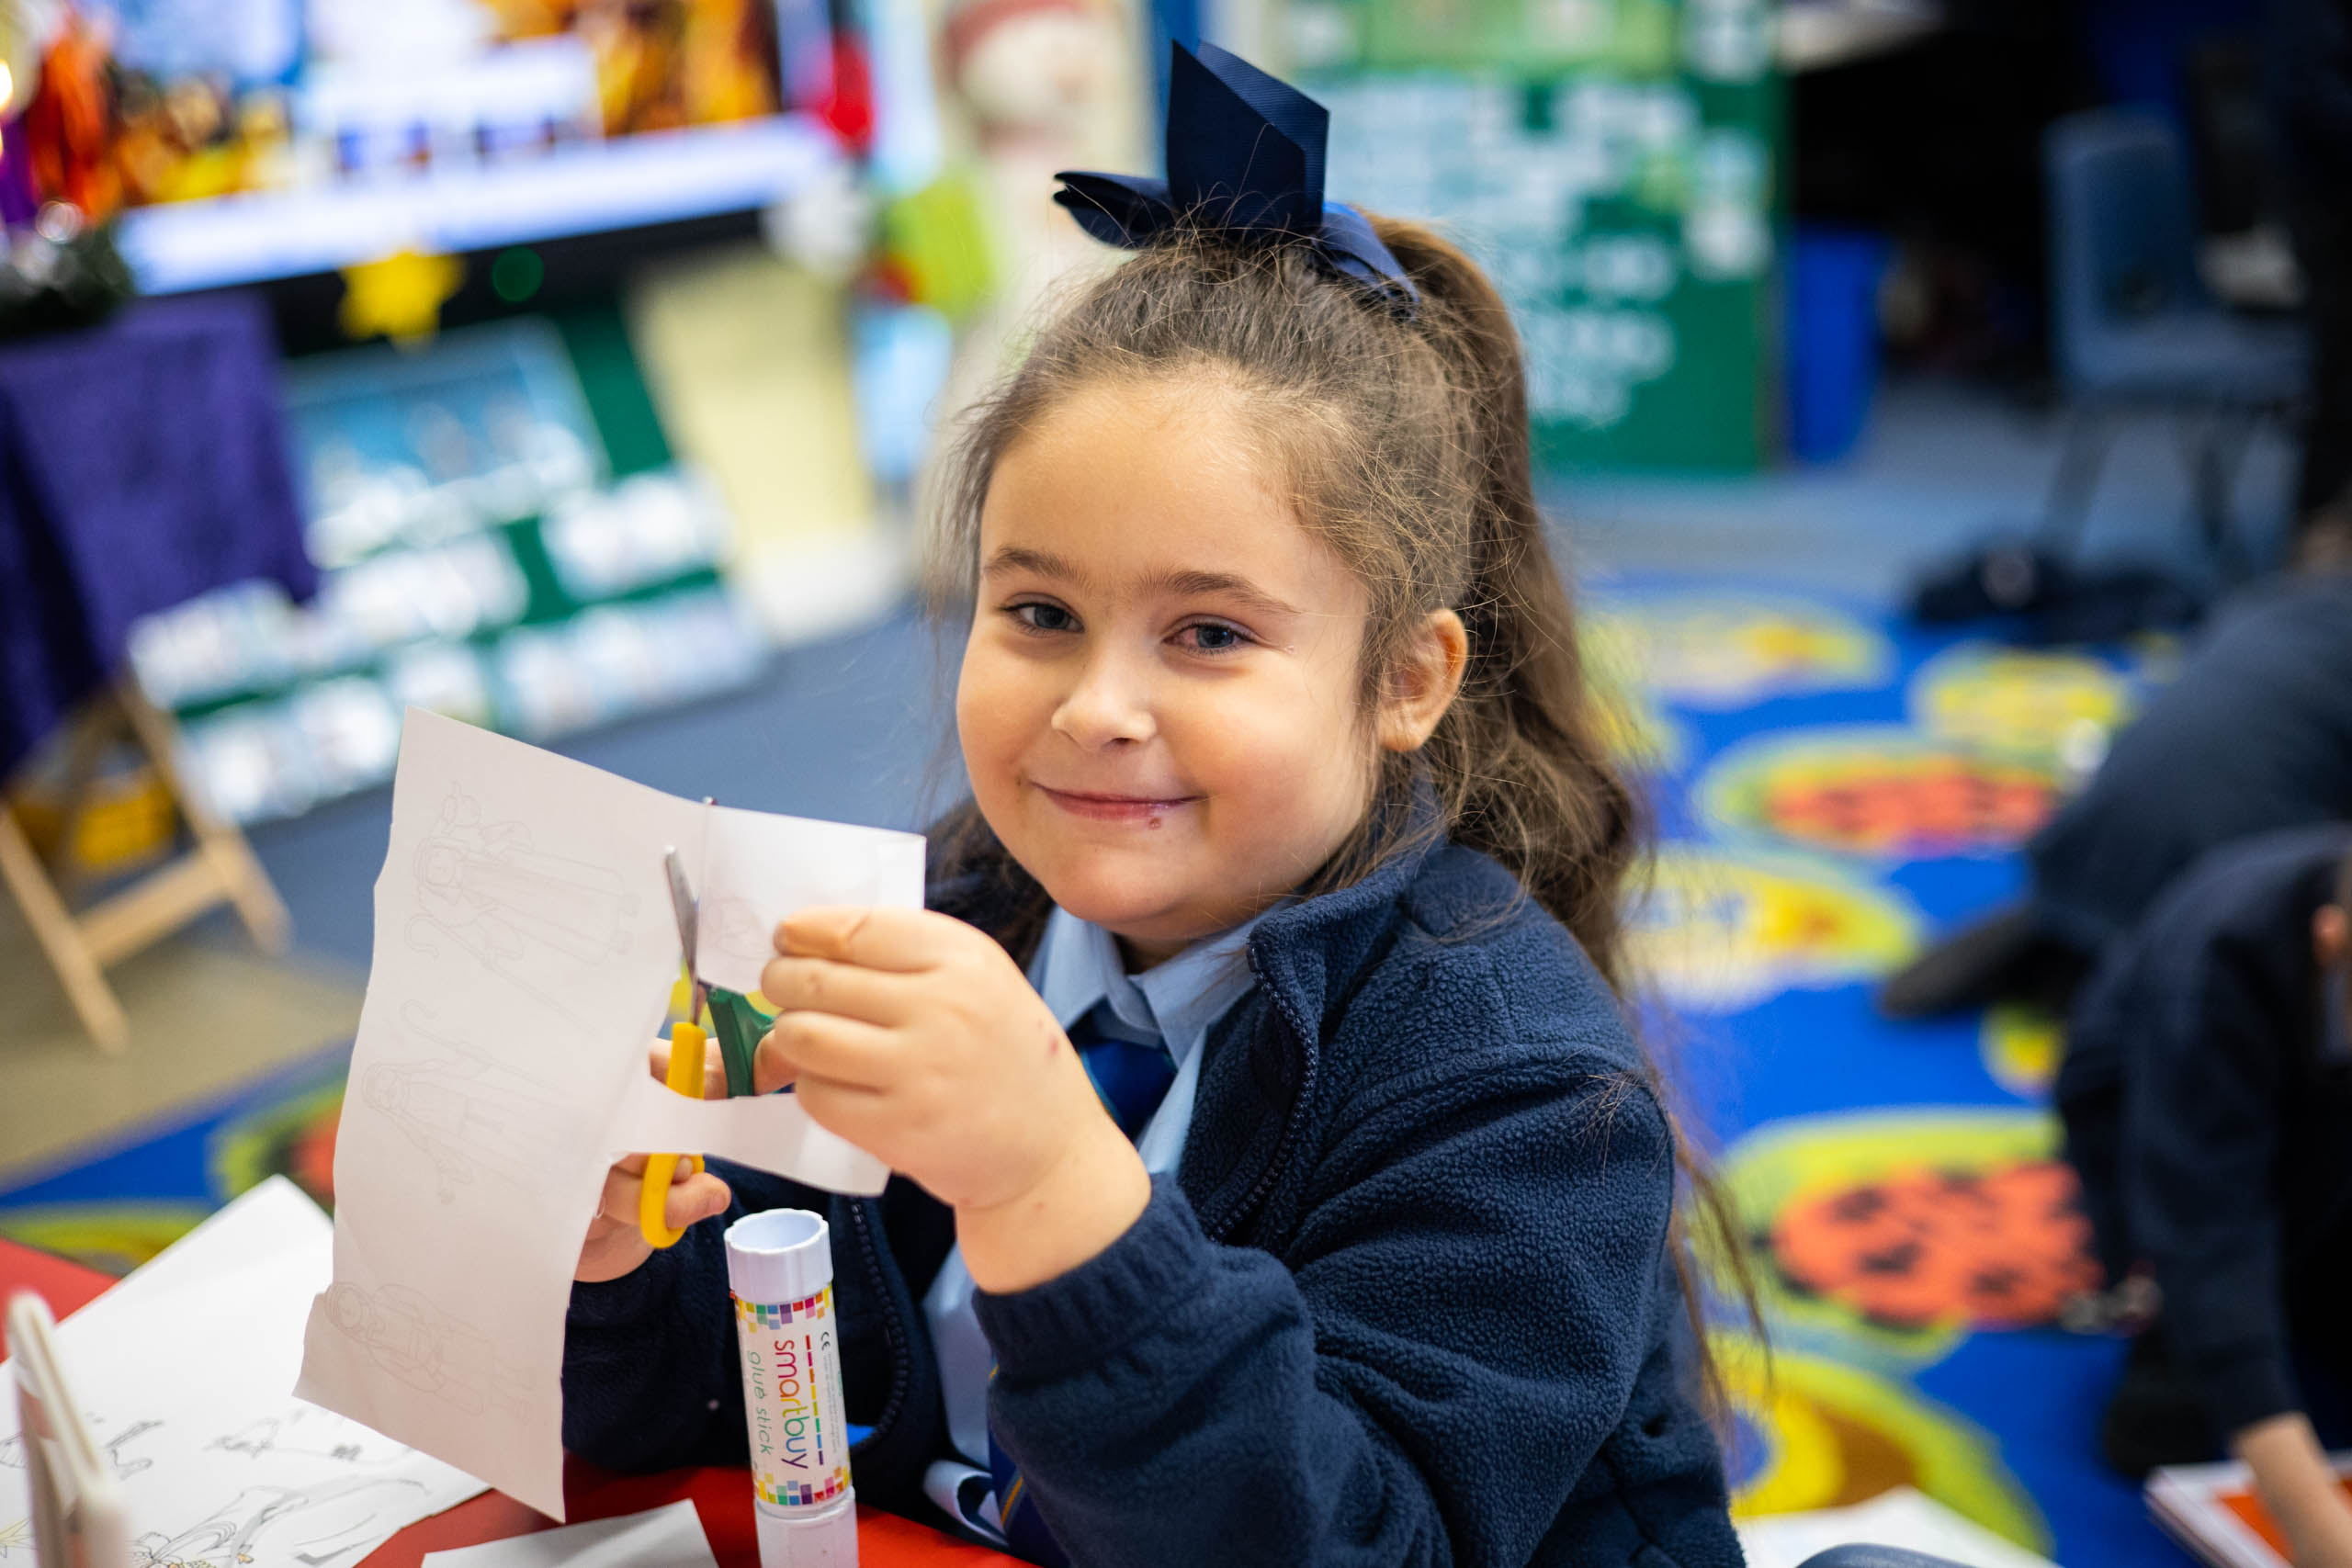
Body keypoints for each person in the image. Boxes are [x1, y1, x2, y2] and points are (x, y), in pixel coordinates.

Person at [556, 44, 1740, 1568]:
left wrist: (1054, 1182)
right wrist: (627, 1279)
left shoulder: (1515, 1087)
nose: (1097, 706)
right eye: (1037, 611)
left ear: (1405, 680)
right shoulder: (939, 915)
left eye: (1210, 634)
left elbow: (1350, 1546)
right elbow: (753, 1406)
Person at [2055, 826, 2352, 1565]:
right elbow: (2208, 1231)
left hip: (2322, 1112)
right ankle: (2159, 1326)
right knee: (2162, 1426)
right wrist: (2318, 1534)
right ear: (2331, 939)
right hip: (2155, 1127)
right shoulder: (2221, 961)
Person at [1879, 565, 2352, 1019]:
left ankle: (2070, 937)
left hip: (2088, 835)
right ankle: (2131, 970)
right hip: (2224, 879)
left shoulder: (2270, 598)